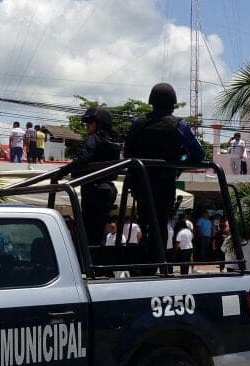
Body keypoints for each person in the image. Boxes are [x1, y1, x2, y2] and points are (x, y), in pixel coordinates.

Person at [123, 82, 203, 254]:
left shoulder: (137, 122)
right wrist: (180, 161)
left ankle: (145, 262)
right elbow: (198, 155)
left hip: (139, 184)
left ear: (151, 101)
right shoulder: (179, 125)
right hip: (163, 184)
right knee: (160, 224)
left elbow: (127, 152)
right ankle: (157, 262)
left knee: (145, 222)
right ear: (173, 103)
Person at [53, 107, 120, 247]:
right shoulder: (114, 142)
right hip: (108, 189)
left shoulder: (94, 139)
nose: (86, 126)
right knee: (99, 230)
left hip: (93, 189)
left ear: (99, 124)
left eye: (90, 122)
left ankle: (89, 263)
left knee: (88, 230)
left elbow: (83, 159)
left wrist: (62, 171)